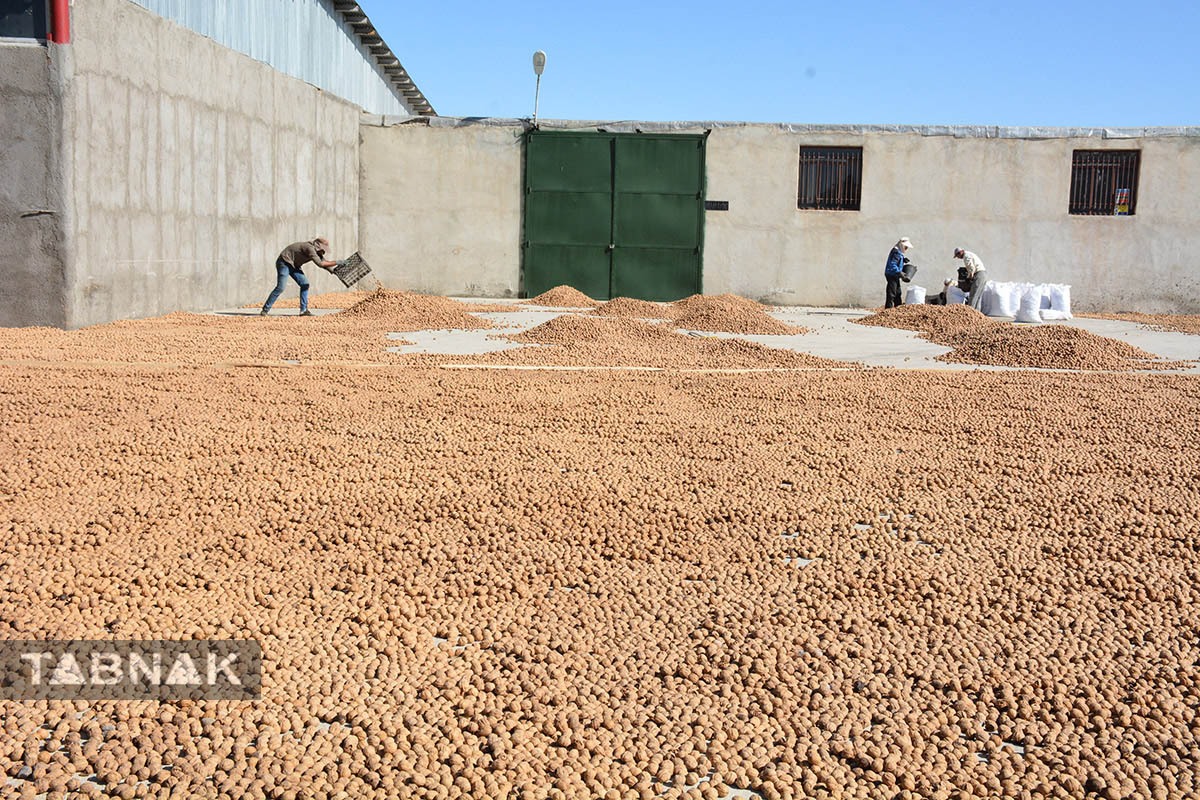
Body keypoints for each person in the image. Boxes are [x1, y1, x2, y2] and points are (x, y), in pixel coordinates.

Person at [261, 238, 338, 316]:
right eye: (323, 249)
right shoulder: (309, 248)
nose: (323, 251)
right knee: (280, 287)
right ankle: (265, 310)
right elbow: (320, 264)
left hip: (294, 265)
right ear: (318, 245)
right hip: (284, 263)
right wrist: (337, 262)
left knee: (305, 284)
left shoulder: (316, 251)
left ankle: (303, 310)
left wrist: (333, 271)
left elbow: (323, 261)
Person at [953, 247, 988, 312]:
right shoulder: (970, 254)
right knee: (978, 296)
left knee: (973, 294)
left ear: (960, 253)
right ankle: (977, 314)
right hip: (983, 274)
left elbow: (971, 268)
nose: (958, 258)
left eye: (957, 256)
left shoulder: (966, 256)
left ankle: (969, 314)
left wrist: (969, 277)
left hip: (979, 274)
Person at [883, 237, 913, 308]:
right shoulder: (896, 252)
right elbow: (892, 264)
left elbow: (897, 262)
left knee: (898, 292)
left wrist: (903, 260)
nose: (906, 249)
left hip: (895, 274)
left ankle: (898, 308)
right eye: (905, 247)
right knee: (892, 293)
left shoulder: (898, 252)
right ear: (902, 245)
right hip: (892, 274)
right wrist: (900, 272)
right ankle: (888, 309)